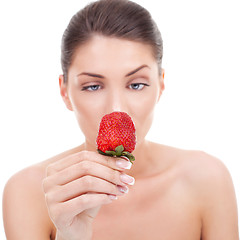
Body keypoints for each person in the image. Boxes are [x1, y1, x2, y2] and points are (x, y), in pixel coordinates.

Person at [2, 0, 238, 239]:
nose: (116, 110)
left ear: (161, 84)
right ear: (64, 92)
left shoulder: (207, 179)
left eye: (136, 84)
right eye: (93, 86)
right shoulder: (28, 192)